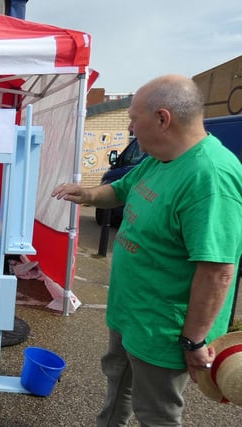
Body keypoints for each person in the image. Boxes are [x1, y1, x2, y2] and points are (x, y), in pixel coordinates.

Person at [51, 75, 242, 426]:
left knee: (156, 413)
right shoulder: (160, 157)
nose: (129, 126)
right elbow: (121, 189)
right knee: (118, 389)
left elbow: (217, 272)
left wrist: (193, 341)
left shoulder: (210, 177)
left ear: (162, 118)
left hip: (165, 330)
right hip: (131, 313)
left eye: (134, 118)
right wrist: (87, 194)